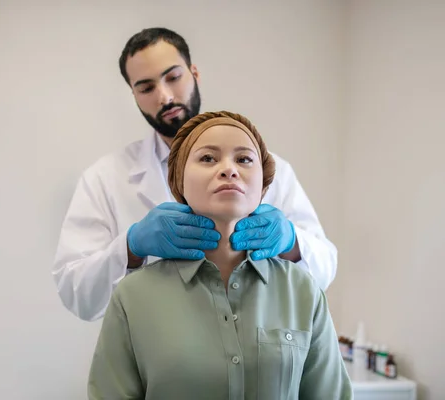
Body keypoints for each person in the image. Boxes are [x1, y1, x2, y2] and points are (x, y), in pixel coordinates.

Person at [52, 27, 338, 321]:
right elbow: (75, 292)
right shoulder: (104, 179)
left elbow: (324, 267)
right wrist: (131, 247)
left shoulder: (264, 169)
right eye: (147, 87)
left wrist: (291, 242)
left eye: (173, 77)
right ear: (134, 95)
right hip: (156, 354)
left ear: (194, 73)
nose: (165, 97)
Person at [87, 111, 353, 399]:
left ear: (264, 185)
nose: (229, 170)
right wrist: (132, 245)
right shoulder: (132, 297)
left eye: (244, 159)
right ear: (179, 182)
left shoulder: (301, 291)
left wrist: (292, 239)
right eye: (208, 158)